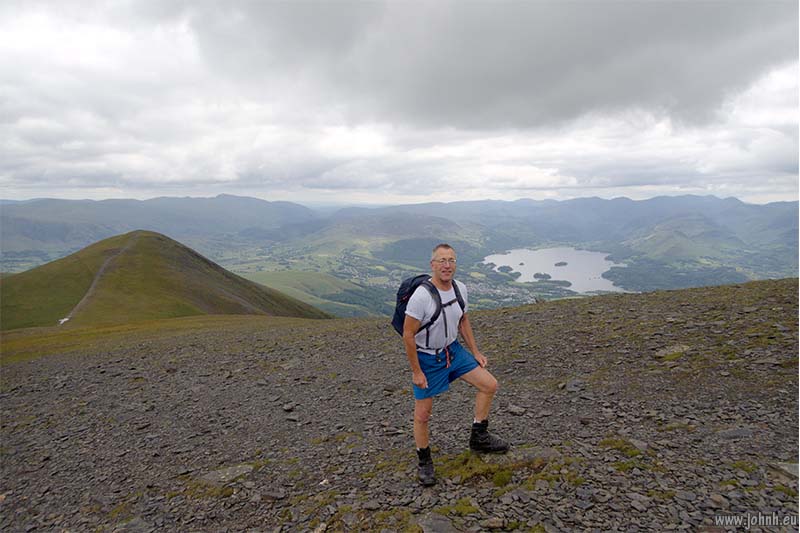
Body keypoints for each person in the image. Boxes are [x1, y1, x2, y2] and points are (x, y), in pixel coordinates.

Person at [403, 243, 509, 486]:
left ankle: (479, 437)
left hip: (454, 351)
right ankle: (424, 460)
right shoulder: (421, 296)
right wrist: (416, 371)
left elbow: (463, 320)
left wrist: (475, 352)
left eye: (451, 260)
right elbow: (408, 335)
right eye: (441, 260)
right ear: (432, 265)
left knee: (489, 385)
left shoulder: (460, 289)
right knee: (422, 415)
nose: (447, 265)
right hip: (428, 358)